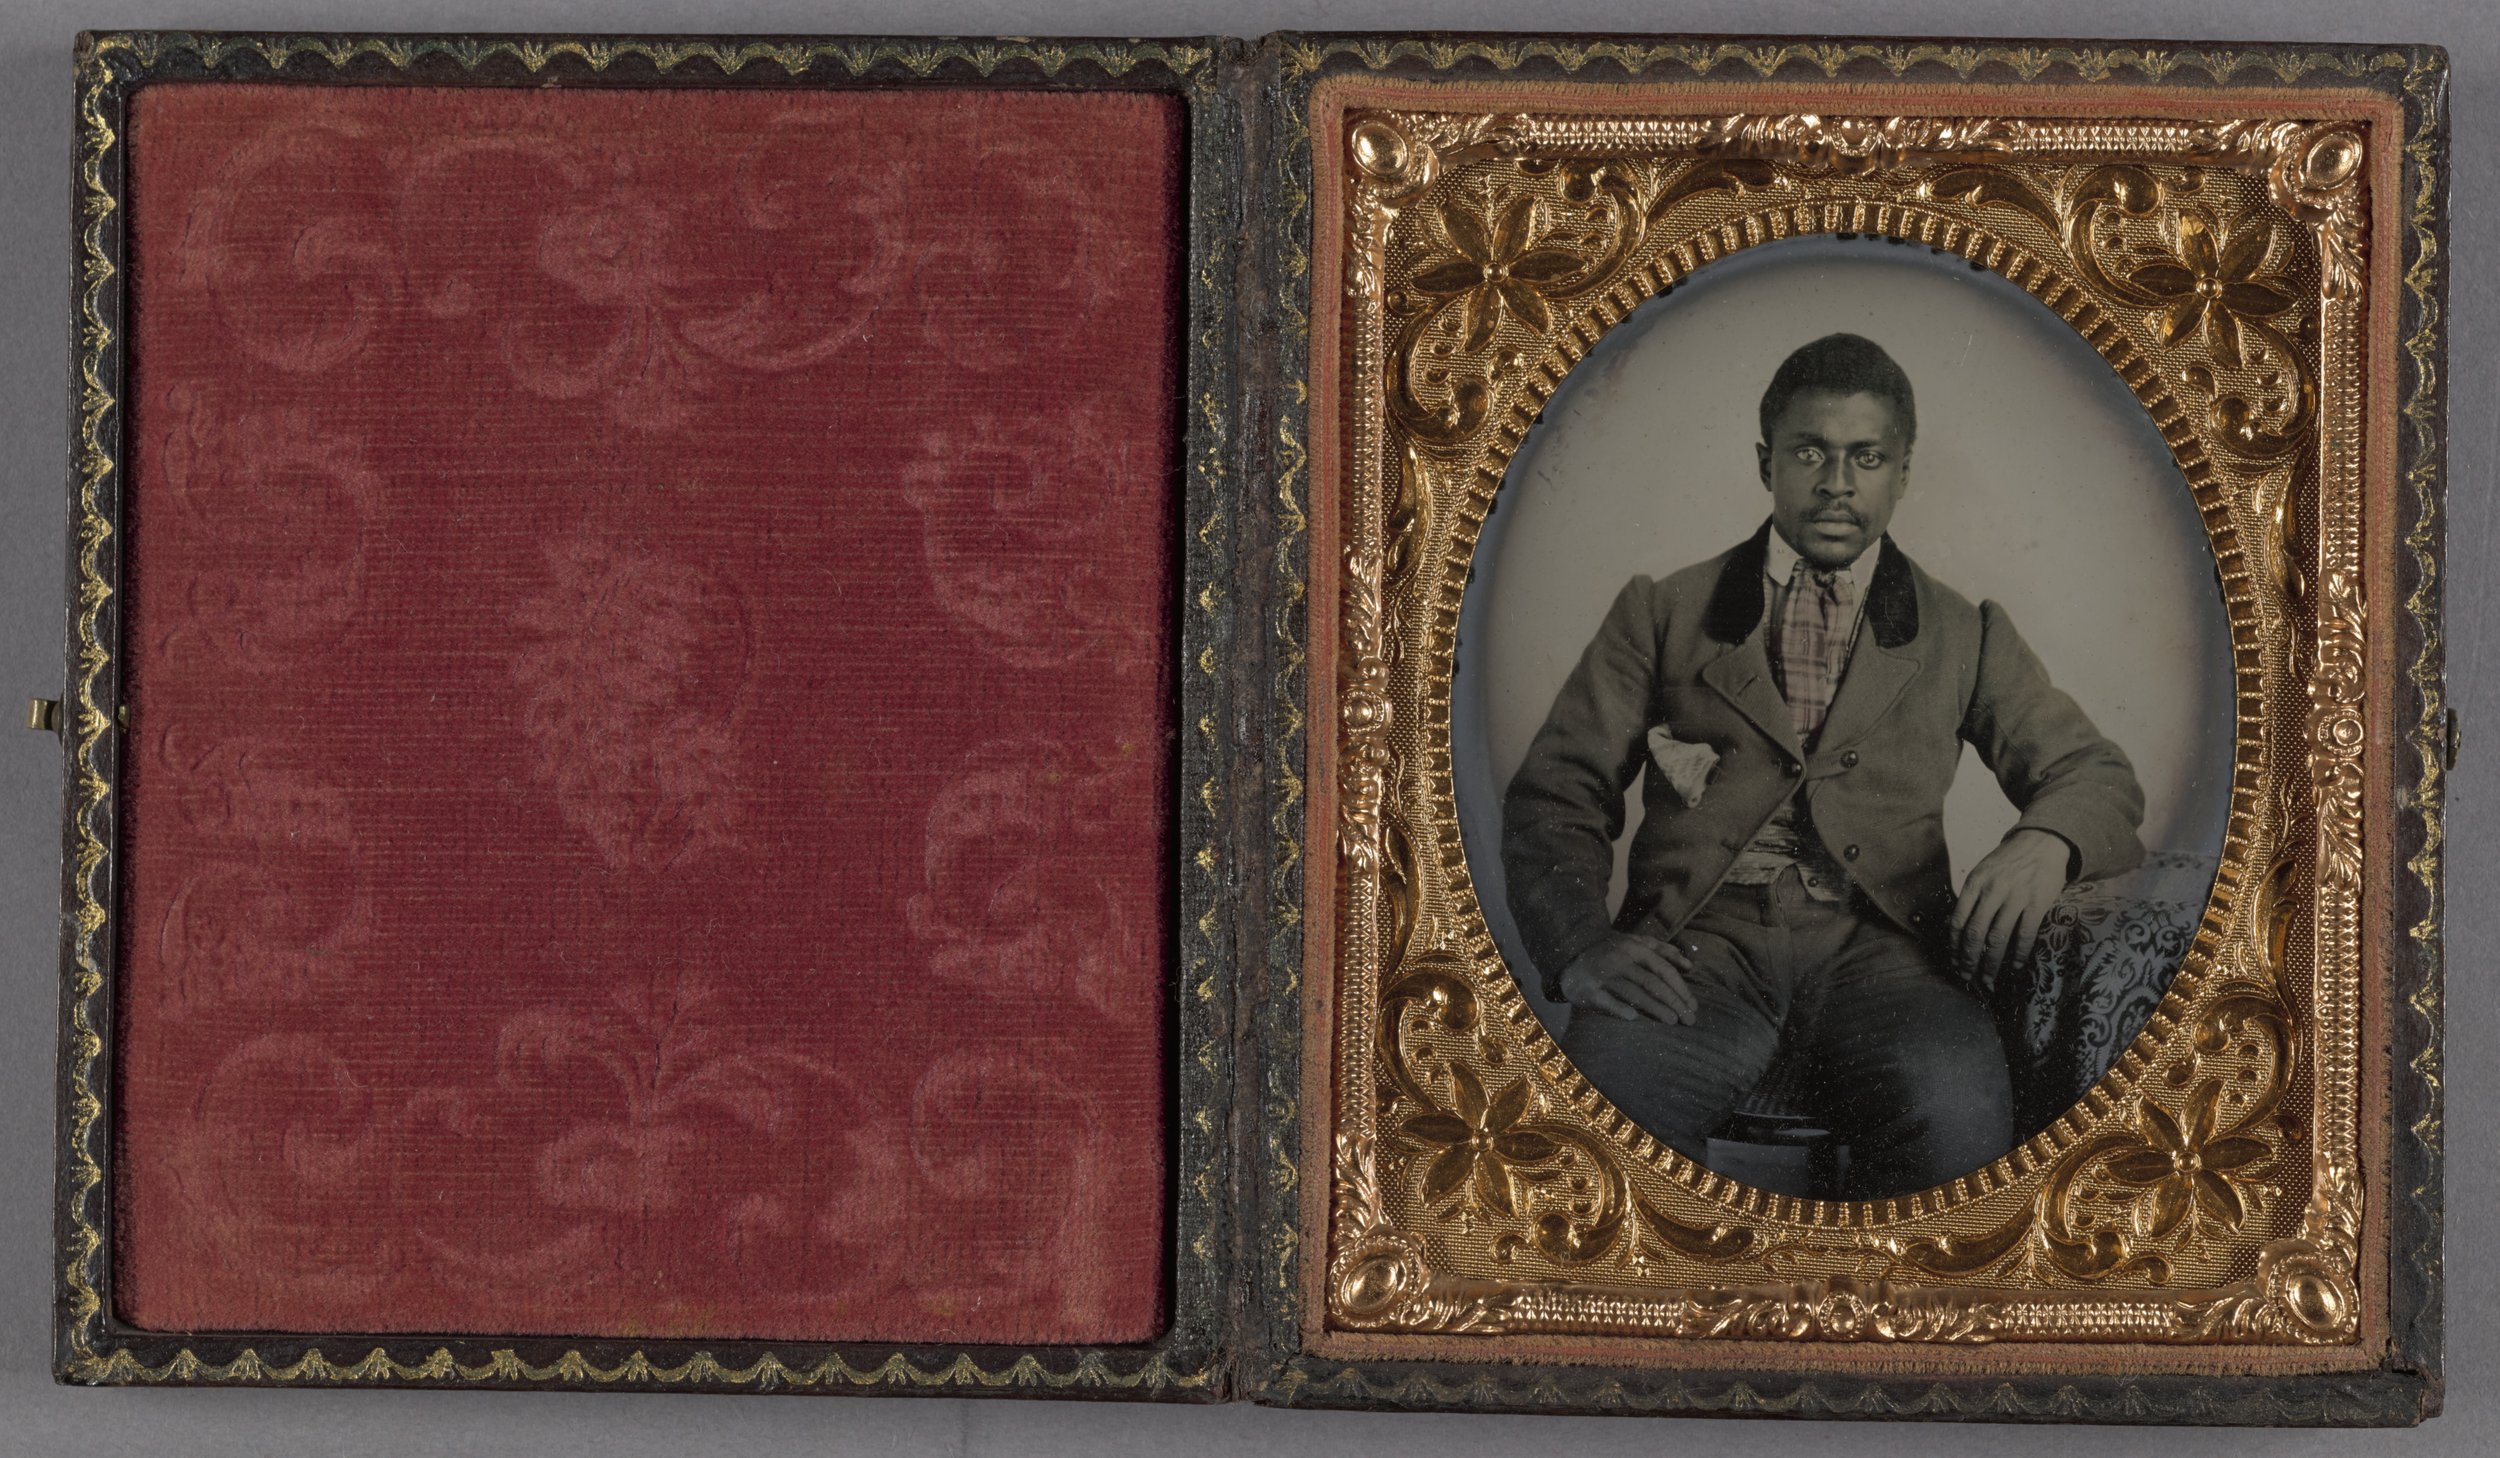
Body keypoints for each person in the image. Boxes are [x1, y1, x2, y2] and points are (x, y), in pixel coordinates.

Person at [1500, 332, 2144, 1198]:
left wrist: (2048, 843)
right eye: (1811, 453)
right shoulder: (1661, 612)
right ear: (1767, 463)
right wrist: (1579, 946)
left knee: (1964, 1144)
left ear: (1903, 472)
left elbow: (2095, 775)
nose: (1837, 484)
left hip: (1887, 959)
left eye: (1866, 457)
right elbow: (1558, 791)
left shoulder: (1966, 633)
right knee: (1580, 1158)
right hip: (1696, 952)